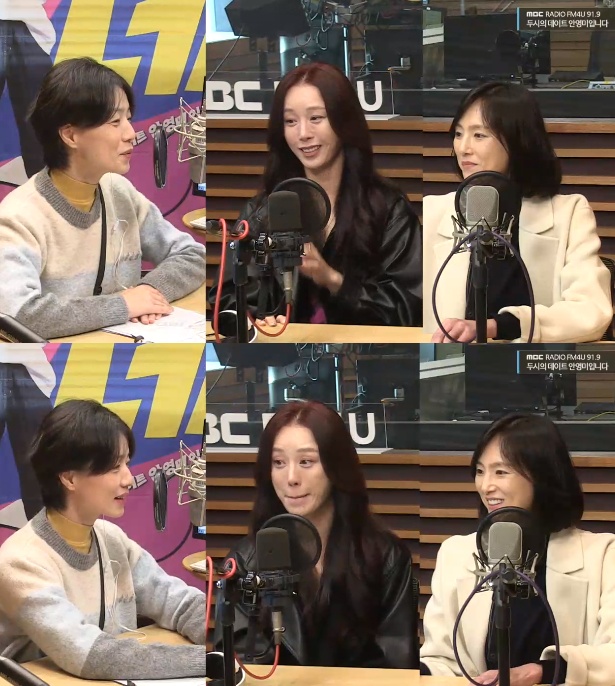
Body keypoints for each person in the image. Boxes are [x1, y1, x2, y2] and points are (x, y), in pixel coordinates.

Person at [0, 57, 206, 340]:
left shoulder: (118, 191)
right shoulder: (18, 217)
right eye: (115, 121)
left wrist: (148, 293)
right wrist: (123, 305)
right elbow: (17, 315)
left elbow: (193, 255)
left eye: (128, 119)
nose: (131, 134)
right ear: (71, 136)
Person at [0, 399, 206, 679]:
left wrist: (225, 640)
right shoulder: (19, 562)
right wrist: (208, 660)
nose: (128, 479)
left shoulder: (111, 538)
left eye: (127, 463)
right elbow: (91, 656)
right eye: (114, 467)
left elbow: (179, 602)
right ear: (69, 478)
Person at [208, 62, 422, 328]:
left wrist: (331, 279)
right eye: (290, 121)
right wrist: (256, 321)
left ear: (344, 121)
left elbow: (410, 308)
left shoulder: (388, 208)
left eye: (316, 118)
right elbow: (227, 299)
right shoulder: (261, 211)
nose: (303, 134)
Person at [214, 400, 420, 669]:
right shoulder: (244, 562)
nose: (291, 477)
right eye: (278, 462)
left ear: (336, 467)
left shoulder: (387, 557)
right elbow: (240, 664)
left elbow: (398, 665)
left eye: (306, 461)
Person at [420, 414, 615, 686]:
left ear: (542, 477)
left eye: (501, 472)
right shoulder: (455, 553)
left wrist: (539, 671)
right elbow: (440, 660)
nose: (486, 486)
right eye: (480, 471)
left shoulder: (603, 555)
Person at [423, 81, 612, 343]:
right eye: (458, 133)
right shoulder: (435, 211)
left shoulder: (569, 214)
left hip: (532, 364)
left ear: (518, 141)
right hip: (453, 363)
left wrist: (496, 327)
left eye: (479, 135)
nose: (463, 148)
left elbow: (591, 312)